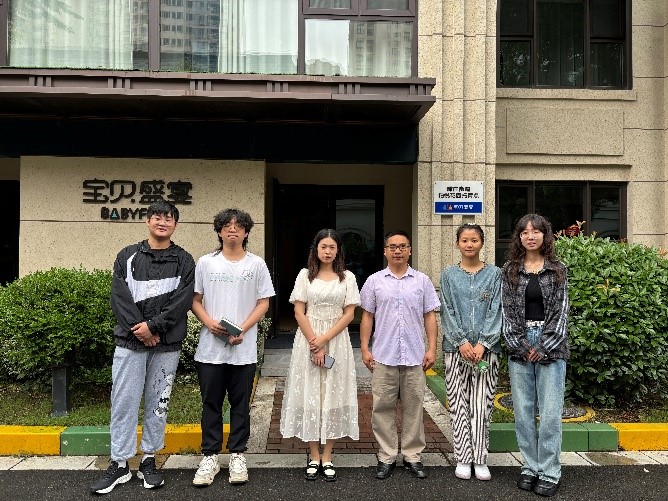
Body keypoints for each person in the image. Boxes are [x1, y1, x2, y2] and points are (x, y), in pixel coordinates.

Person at [90, 201, 196, 495]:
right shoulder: (127, 255)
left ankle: (149, 459)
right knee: (123, 402)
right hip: (130, 343)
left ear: (175, 224)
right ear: (148, 221)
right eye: (157, 217)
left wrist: (154, 328)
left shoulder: (185, 260)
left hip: (166, 345)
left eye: (169, 218)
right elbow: (119, 298)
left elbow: (182, 301)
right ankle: (120, 463)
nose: (163, 222)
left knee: (158, 403)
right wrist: (142, 331)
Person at [191, 208, 275, 487]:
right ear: (219, 231)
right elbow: (195, 300)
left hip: (243, 349)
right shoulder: (206, 262)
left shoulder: (256, 264)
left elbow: (264, 302)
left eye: (239, 226)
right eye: (227, 225)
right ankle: (210, 456)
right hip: (210, 349)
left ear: (246, 232)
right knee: (211, 404)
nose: (232, 229)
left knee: (240, 404)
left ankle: (238, 454)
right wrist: (209, 323)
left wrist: (243, 329)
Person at [280, 229, 360, 482]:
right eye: (323, 247)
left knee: (333, 393)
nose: (327, 251)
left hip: (336, 341)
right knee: (311, 394)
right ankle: (314, 455)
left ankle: (328, 455)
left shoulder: (347, 278)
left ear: (338, 251)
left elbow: (349, 314)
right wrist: (315, 343)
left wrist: (324, 340)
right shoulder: (305, 275)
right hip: (308, 339)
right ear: (316, 250)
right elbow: (299, 311)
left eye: (332, 247)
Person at [359, 230, 440, 480]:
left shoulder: (422, 281)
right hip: (383, 355)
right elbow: (367, 316)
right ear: (385, 251)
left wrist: (432, 348)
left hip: (415, 355)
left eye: (402, 246)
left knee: (414, 407)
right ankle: (386, 456)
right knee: (382, 408)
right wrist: (365, 348)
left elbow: (430, 315)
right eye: (393, 247)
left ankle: (412, 455)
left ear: (410, 251)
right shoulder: (374, 281)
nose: (398, 251)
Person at [501, 214, 569, 498]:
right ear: (519, 237)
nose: (530, 236)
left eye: (536, 232)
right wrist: (520, 345)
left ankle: (550, 471)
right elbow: (505, 312)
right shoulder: (509, 270)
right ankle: (530, 466)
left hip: (551, 345)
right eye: (525, 232)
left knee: (550, 414)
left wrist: (541, 347)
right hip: (519, 344)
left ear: (545, 235)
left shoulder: (558, 270)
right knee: (523, 413)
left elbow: (561, 313)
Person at [439, 223, 502, 481]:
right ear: (457, 243)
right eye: (464, 240)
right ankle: (463, 458)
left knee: (481, 405)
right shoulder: (448, 275)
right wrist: (461, 342)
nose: (469, 244)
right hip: (456, 351)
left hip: (487, 352)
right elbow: (446, 309)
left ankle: (480, 459)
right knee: (458, 404)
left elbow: (497, 309)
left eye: (474, 240)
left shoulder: (495, 274)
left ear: (482, 243)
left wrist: (484, 343)